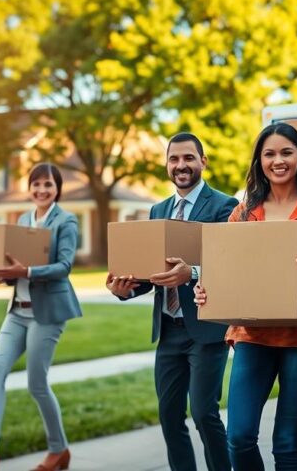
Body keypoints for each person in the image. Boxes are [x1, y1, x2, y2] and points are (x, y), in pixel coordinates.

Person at [195, 122, 297, 471]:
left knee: (286, 445)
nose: (278, 160)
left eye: (286, 152)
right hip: (253, 335)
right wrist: (206, 288)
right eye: (269, 154)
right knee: (239, 437)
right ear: (259, 161)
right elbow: (224, 270)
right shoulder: (244, 213)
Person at [106, 133, 238, 471]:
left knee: (204, 414)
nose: (181, 165)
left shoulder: (224, 207)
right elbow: (153, 273)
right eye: (174, 159)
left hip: (206, 329)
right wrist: (125, 289)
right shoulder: (158, 210)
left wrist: (191, 273)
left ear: (203, 161)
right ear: (167, 164)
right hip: (168, 331)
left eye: (188, 158)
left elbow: (231, 265)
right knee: (169, 416)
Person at [0, 163, 83, 471]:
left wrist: (27, 271)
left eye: (48, 184)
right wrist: (2, 275)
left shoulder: (66, 221)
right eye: (36, 184)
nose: (41, 190)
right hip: (17, 311)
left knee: (36, 384)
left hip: (46, 314)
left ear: (57, 189)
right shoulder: (22, 220)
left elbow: (64, 267)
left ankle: (58, 450)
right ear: (29, 188)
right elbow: (14, 267)